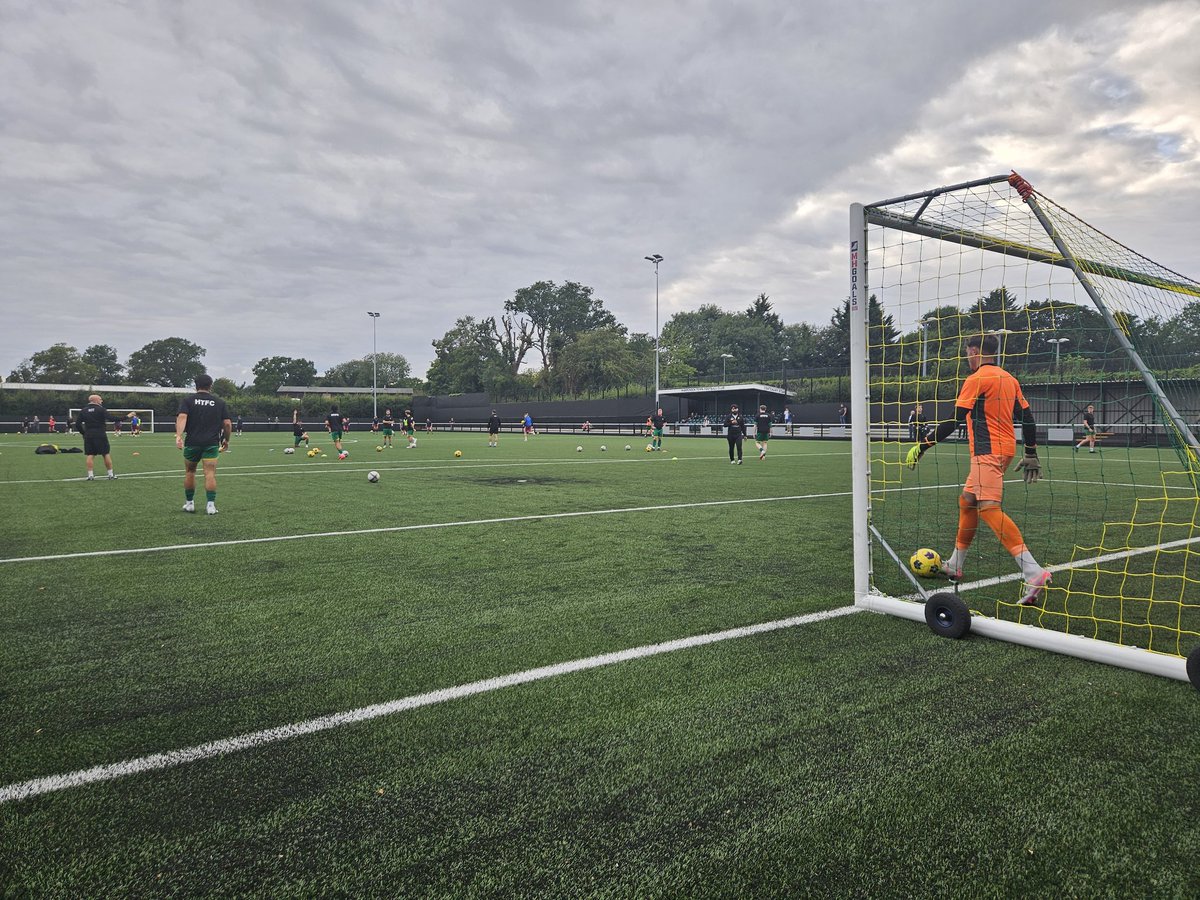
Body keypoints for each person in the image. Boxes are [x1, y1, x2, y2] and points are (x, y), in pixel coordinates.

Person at [904, 333, 1051, 605]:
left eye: (967, 352)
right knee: (967, 502)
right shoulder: (1009, 379)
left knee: (989, 508)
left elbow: (954, 420)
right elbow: (1028, 419)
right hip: (1003, 450)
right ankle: (955, 564)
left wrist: (923, 445)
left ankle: (1033, 572)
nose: (966, 357)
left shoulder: (976, 379)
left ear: (973, 351)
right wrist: (1030, 451)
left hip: (986, 452)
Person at [175, 373, 232, 515]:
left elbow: (182, 417)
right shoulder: (219, 402)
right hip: (211, 444)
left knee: (190, 472)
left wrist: (178, 436)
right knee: (210, 474)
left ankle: (190, 504)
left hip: (192, 442)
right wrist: (226, 440)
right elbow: (227, 424)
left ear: (195, 386)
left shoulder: (188, 401)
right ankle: (211, 506)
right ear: (210, 386)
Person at [73, 394, 118, 480]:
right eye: (100, 399)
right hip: (100, 434)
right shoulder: (101, 409)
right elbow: (112, 418)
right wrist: (127, 417)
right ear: (96, 400)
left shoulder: (84, 410)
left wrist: (84, 433)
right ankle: (111, 475)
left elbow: (77, 424)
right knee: (105, 454)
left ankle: (90, 475)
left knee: (90, 455)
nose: (102, 401)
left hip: (89, 435)